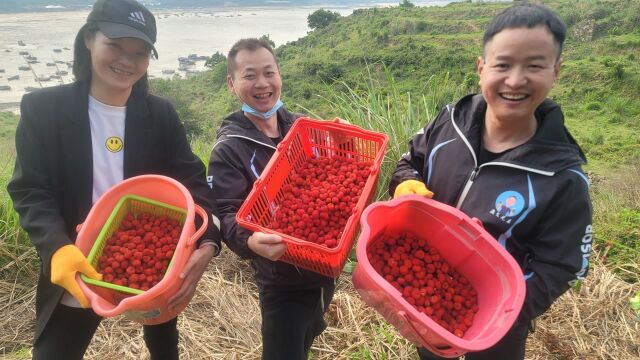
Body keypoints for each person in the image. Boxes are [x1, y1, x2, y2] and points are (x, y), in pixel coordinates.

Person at [7, 0, 222, 359]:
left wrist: (208, 243)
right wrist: (56, 247)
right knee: (55, 352)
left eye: (139, 52)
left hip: (152, 257)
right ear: (89, 39)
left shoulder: (160, 114)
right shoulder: (43, 110)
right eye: (116, 46)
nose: (127, 60)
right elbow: (30, 189)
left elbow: (194, 182)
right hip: (78, 258)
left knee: (163, 342)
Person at [390, 3, 593, 359]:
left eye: (534, 65)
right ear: (482, 68)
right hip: (426, 300)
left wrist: (501, 311)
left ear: (556, 71)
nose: (515, 80)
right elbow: (410, 162)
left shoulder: (563, 176)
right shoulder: (450, 123)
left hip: (499, 329)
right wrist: (405, 182)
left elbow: (562, 265)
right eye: (503, 65)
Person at [207, 38, 336, 360]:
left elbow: (330, 179)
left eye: (269, 73)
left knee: (313, 327)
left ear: (280, 75)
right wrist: (249, 241)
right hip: (282, 280)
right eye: (249, 75)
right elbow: (224, 211)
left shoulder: (301, 128)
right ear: (231, 84)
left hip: (323, 264)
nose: (262, 84)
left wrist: (336, 140)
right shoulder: (229, 148)